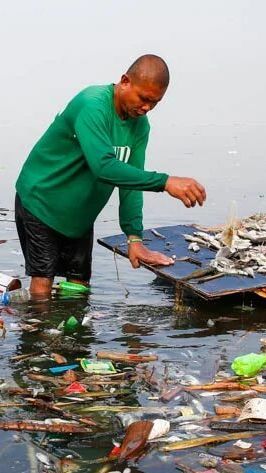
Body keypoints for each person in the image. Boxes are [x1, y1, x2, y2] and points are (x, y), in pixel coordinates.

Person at [15, 54, 206, 298]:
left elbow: (131, 184)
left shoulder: (140, 125)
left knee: (79, 288)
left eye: (155, 103)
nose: (147, 107)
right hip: (41, 202)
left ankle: (74, 336)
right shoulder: (92, 104)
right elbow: (103, 167)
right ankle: (39, 331)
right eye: (144, 98)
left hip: (79, 215)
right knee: (43, 284)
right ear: (125, 81)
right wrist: (165, 182)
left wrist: (134, 238)